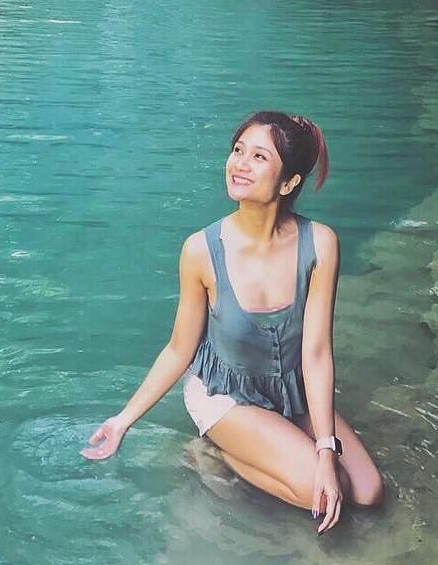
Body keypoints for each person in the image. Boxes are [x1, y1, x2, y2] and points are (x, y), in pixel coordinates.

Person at [80, 110, 384, 533]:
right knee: (321, 492)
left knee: (367, 492)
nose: (239, 163)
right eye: (238, 150)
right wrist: (122, 421)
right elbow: (179, 348)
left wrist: (325, 449)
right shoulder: (201, 250)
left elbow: (315, 355)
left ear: (288, 182)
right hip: (224, 395)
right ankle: (216, 452)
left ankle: (240, 452)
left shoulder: (320, 244)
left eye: (259, 157)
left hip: (288, 388)